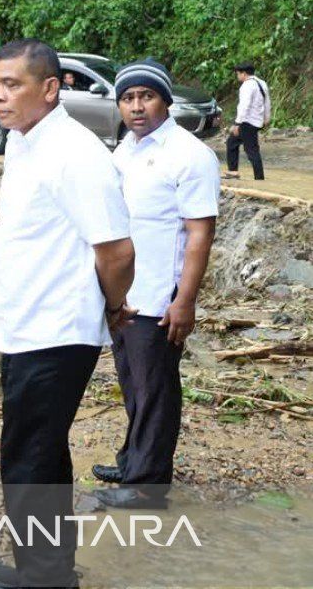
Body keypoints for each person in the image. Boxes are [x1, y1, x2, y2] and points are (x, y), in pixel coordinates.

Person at [0, 39, 135, 589]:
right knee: (39, 456)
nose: (0, 96)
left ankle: (45, 578)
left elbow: (116, 251)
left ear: (50, 88)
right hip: (28, 328)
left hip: (54, 332)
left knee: (29, 461)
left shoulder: (74, 152)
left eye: (12, 85)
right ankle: (47, 572)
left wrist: (112, 307)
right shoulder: (26, 142)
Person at [92, 59, 219, 509]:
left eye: (146, 96)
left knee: (155, 389)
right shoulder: (124, 149)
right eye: (127, 98)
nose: (136, 106)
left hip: (159, 297)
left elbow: (200, 232)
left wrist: (185, 300)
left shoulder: (189, 155)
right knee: (132, 383)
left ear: (165, 100)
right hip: (124, 294)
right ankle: (134, 461)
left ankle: (147, 485)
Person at [224, 62, 270, 180]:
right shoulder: (261, 83)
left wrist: (237, 124)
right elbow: (267, 102)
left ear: (244, 73)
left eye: (238, 74)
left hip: (247, 122)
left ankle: (259, 178)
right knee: (232, 143)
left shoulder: (247, 86)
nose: (237, 76)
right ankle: (233, 172)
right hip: (256, 121)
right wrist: (266, 118)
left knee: (251, 150)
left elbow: (244, 106)